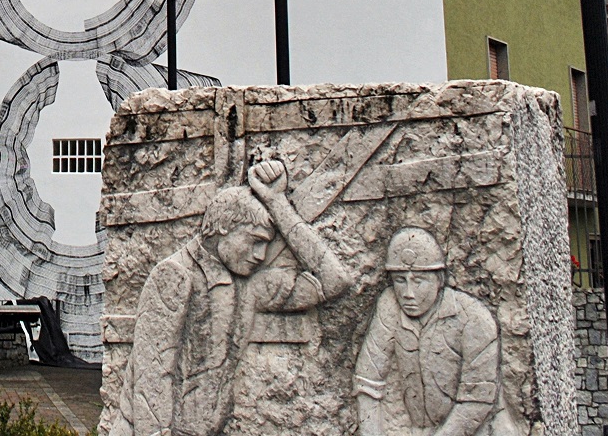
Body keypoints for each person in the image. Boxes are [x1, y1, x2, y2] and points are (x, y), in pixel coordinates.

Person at [114, 158, 350, 436]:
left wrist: (277, 203)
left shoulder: (249, 286)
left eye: (266, 245)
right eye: (255, 241)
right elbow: (152, 376)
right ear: (225, 226)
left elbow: (335, 281)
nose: (261, 255)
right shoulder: (175, 275)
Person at [354, 228, 511, 436]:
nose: (408, 293)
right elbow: (368, 381)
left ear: (439, 279)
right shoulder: (389, 305)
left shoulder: (473, 318)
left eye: (419, 281)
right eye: (400, 280)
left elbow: (476, 400)